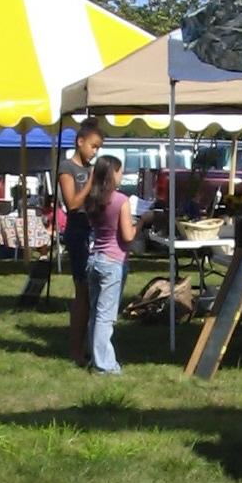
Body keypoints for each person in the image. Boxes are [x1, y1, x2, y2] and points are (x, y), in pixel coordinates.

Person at [83, 154, 138, 374]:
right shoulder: (121, 200)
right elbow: (128, 236)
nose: (122, 175)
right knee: (106, 317)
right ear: (112, 173)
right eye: (120, 171)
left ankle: (95, 356)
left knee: (95, 314)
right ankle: (104, 365)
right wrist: (142, 222)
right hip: (113, 261)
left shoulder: (92, 199)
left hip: (95, 258)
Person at [58, 121, 104, 365]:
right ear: (80, 142)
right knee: (82, 292)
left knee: (94, 292)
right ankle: (76, 349)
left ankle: (90, 346)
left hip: (94, 230)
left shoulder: (90, 168)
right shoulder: (67, 168)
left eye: (98, 148)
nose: (95, 152)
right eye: (93, 146)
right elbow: (73, 204)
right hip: (78, 232)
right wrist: (91, 181)